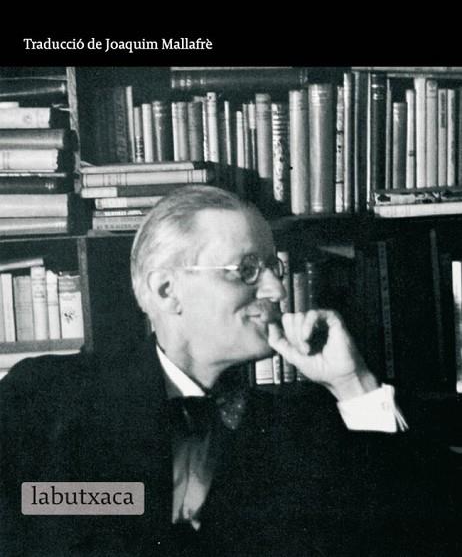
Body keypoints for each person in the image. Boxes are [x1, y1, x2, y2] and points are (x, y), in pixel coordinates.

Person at [0, 186, 457, 556]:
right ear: (166, 290)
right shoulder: (48, 399)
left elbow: (431, 529)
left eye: (274, 268)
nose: (277, 290)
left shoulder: (307, 423)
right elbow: (31, 511)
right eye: (247, 269)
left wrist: (352, 383)